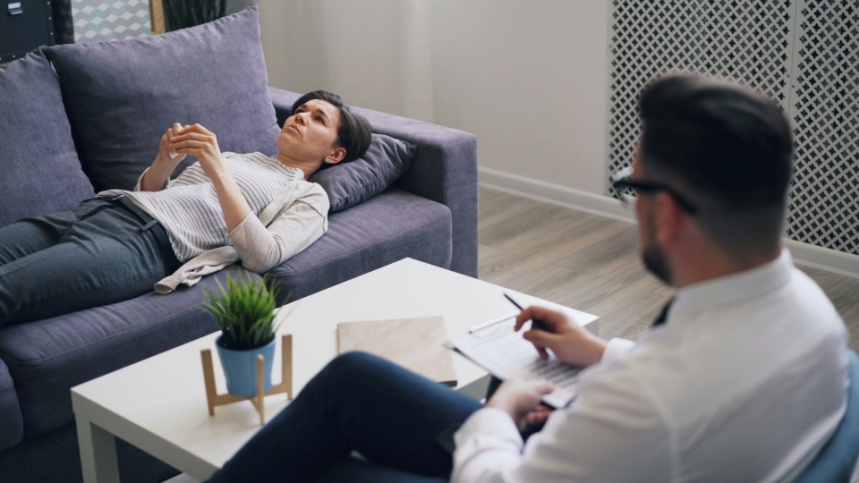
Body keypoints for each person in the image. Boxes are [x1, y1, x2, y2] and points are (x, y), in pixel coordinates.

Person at [206, 74, 849, 482]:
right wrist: (600, 353)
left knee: (329, 435)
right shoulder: (810, 313)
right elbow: (689, 381)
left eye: (632, 187)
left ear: (669, 211)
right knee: (354, 381)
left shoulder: (650, 407)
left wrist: (503, 410)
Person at [0, 91, 372, 326]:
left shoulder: (308, 196)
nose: (300, 116)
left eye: (318, 118)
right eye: (301, 110)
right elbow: (155, 192)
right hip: (99, 210)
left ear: (335, 154)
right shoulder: (236, 157)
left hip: (142, 246)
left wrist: (215, 167)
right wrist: (165, 158)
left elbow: (263, 255)